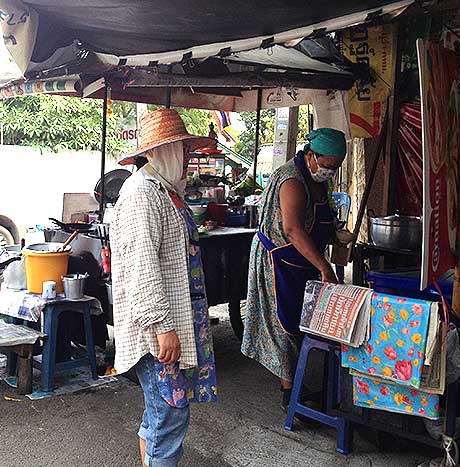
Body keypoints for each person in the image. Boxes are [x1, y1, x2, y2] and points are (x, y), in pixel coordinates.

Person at [111, 108, 217, 467]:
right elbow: (142, 265)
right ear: (161, 151)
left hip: (174, 320)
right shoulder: (142, 193)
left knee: (161, 412)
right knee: (170, 414)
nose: (188, 159)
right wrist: (162, 328)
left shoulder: (164, 189)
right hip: (157, 328)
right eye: (183, 150)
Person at [241, 128, 347, 410]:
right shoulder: (292, 180)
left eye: (335, 168)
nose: (329, 172)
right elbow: (292, 229)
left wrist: (336, 235)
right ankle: (290, 394)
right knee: (284, 324)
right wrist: (325, 267)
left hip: (302, 261)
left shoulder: (317, 181)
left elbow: (320, 217)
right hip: (279, 262)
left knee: (302, 322)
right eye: (327, 165)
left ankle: (298, 382)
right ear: (311, 156)